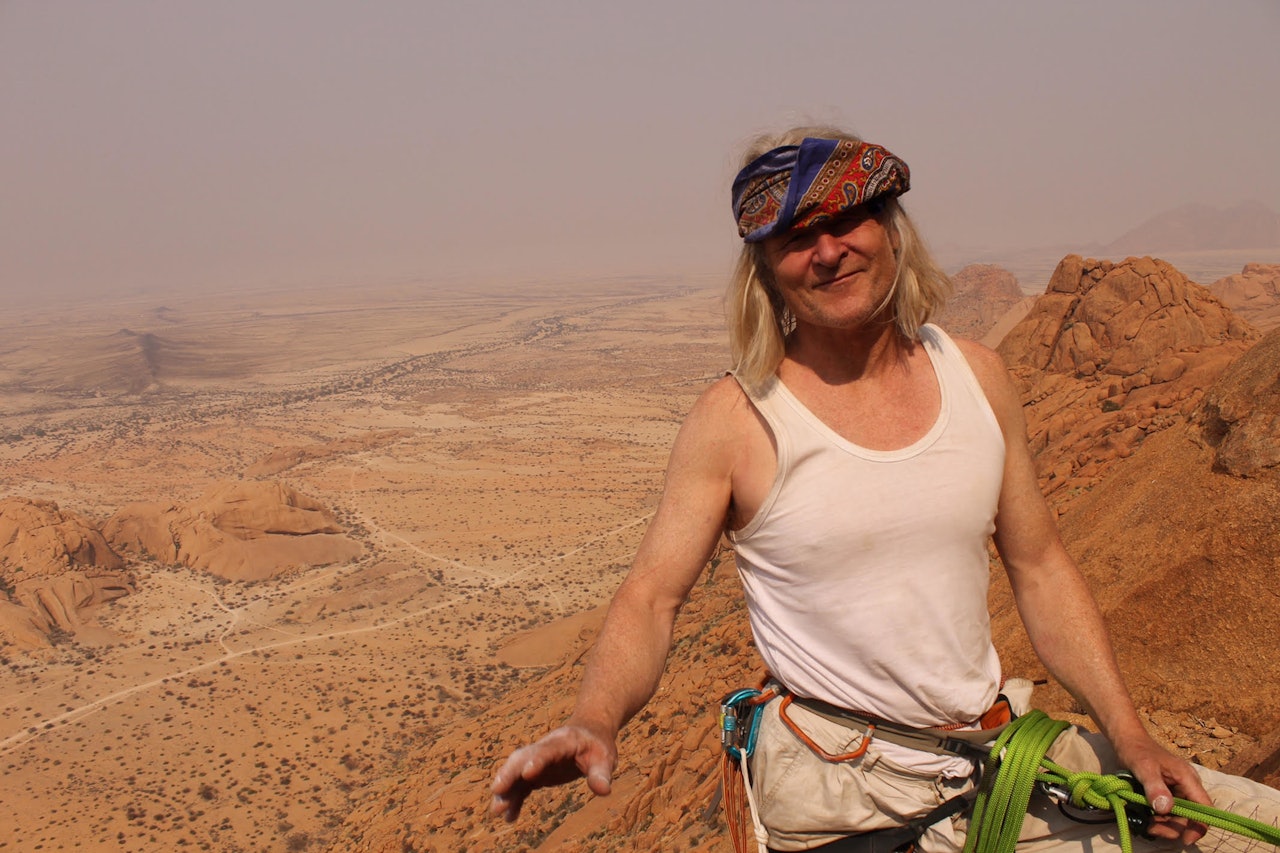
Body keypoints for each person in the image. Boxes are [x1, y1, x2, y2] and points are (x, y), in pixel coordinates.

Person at [490, 126, 1279, 852]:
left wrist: (1130, 733)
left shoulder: (979, 377)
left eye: (848, 221)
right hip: (845, 794)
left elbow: (1039, 567)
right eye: (797, 238)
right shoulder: (736, 420)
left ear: (892, 229)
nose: (828, 251)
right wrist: (594, 719)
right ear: (764, 269)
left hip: (986, 753)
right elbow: (651, 597)